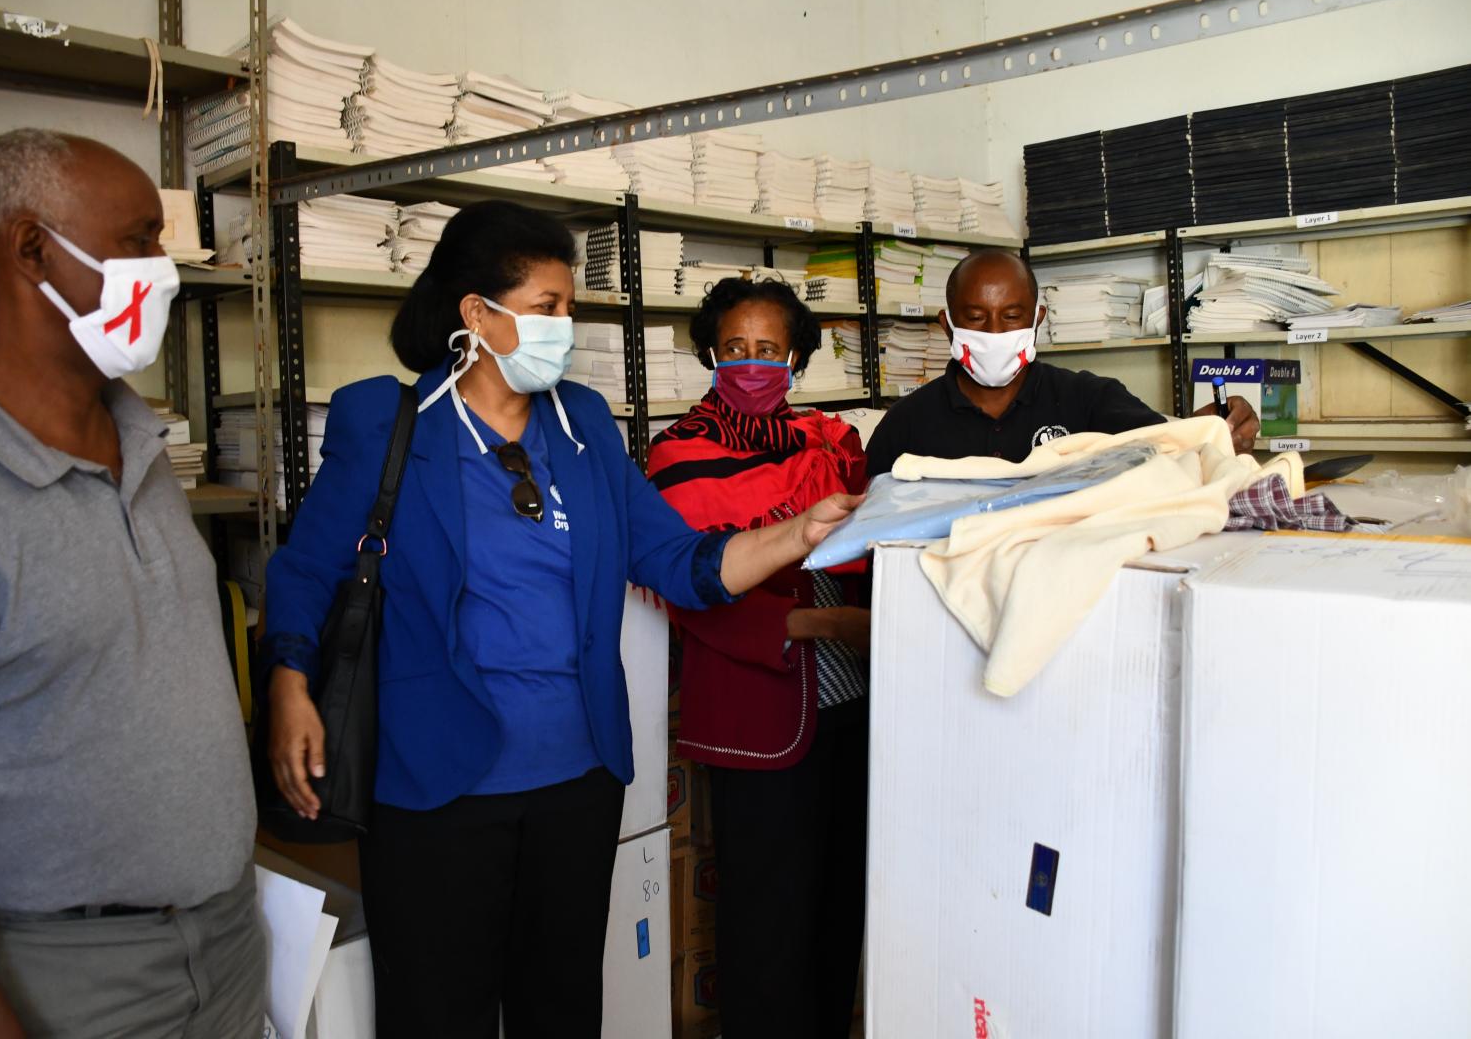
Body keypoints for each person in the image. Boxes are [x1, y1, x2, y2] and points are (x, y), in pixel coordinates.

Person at [259, 200, 858, 1039]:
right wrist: (289, 682)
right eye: (547, 308)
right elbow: (307, 569)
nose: (565, 327)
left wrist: (804, 529)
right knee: (438, 1013)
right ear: (479, 314)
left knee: (563, 1009)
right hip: (437, 786)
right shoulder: (388, 423)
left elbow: (681, 564)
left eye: (569, 307)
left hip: (576, 784)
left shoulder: (584, 429)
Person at [0, 130, 261, 1038]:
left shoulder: (145, 447)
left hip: (224, 945)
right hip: (62, 982)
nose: (165, 271)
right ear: (32, 248)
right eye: (140, 240)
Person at [645, 277, 871, 1039]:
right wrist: (819, 624)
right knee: (766, 920)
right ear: (711, 353)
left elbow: (867, 551)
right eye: (735, 349)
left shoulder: (833, 446)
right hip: (758, 710)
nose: (751, 364)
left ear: (796, 358)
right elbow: (689, 590)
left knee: (840, 908)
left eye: (768, 350)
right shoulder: (677, 456)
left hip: (855, 706)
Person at [866, 249, 1260, 475]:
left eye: (1012, 315)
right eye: (975, 317)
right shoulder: (906, 424)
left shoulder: (1089, 399)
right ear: (948, 325)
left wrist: (1215, 430)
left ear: (1036, 321)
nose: (996, 332)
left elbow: (1169, 449)